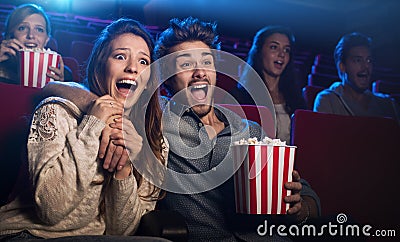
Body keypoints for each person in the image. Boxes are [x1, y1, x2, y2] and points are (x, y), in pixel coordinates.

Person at [154, 17, 319, 241]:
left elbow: (308, 195)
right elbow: (110, 98)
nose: (200, 72)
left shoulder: (250, 130)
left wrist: (299, 208)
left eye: (206, 62)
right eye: (185, 65)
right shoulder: (158, 118)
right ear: (168, 79)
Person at [0, 18, 167, 240]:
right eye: (120, 56)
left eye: (143, 61)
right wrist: (92, 128)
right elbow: (51, 210)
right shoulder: (55, 111)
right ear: (100, 66)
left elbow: (121, 231)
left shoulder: (154, 138)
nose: (132, 67)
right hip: (30, 233)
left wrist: (125, 169)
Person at [229, 26, 306, 144]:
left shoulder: (297, 100)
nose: (282, 54)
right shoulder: (239, 97)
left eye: (286, 50)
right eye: (274, 47)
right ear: (259, 52)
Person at [313, 32, 400, 122]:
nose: (365, 67)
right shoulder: (327, 100)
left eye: (369, 60)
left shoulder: (388, 104)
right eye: (358, 60)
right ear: (342, 66)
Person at [0, 3, 72, 84]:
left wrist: (60, 87)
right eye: (22, 28)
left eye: (39, 29)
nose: (31, 35)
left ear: (47, 39)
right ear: (10, 36)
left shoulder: (62, 74)